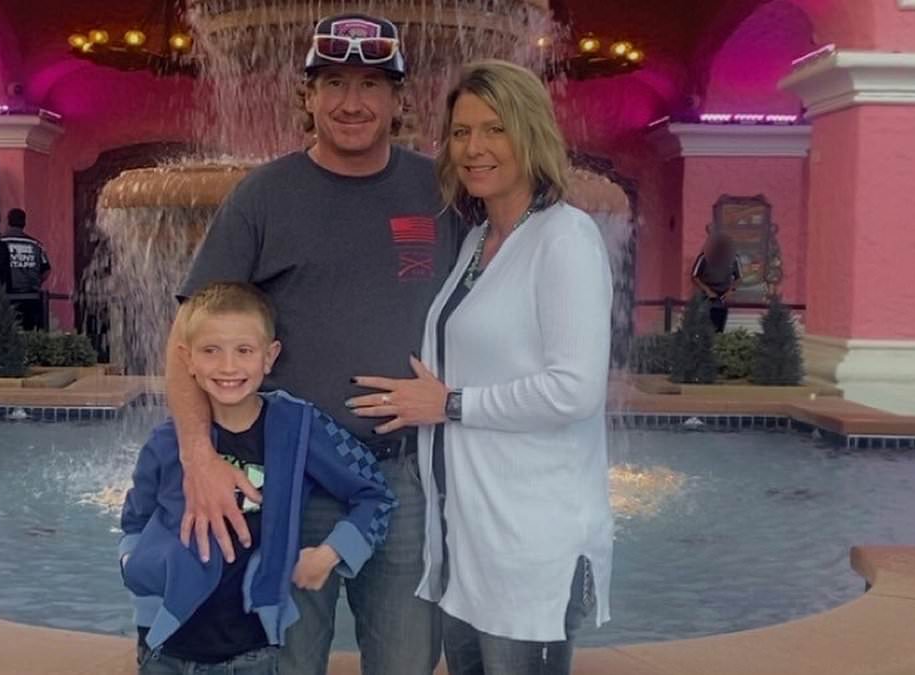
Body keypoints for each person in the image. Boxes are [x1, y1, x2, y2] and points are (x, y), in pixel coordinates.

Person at [166, 12, 461, 675]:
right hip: (290, 482)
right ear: (308, 95)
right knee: (286, 662)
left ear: (398, 98)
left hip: (407, 480)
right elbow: (186, 338)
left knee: (408, 661)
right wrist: (198, 457)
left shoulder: (441, 190)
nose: (351, 103)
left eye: (370, 85)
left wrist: (458, 398)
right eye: (333, 83)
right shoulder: (263, 197)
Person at [348, 60, 614, 675]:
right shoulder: (476, 242)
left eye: (495, 129)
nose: (474, 148)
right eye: (462, 132)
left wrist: (448, 404)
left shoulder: (564, 239)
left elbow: (576, 390)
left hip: (532, 550)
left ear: (531, 134)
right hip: (469, 546)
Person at [120, 282, 397, 675]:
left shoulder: (299, 428)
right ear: (187, 359)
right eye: (210, 350)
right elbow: (136, 517)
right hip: (163, 647)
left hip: (253, 652)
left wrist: (331, 553)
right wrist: (134, 566)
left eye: (244, 351)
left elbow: (375, 494)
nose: (228, 366)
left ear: (270, 357)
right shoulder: (170, 440)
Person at [1, 207, 52, 331]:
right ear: (24, 223)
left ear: (8, 221)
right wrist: (36, 282)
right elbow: (47, 270)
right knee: (30, 333)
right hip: (31, 295)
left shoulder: (0, 243)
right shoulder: (36, 244)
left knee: (7, 333)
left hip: (7, 295)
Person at [690, 232, 742, 333]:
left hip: (723, 298)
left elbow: (739, 278)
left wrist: (731, 291)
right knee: (705, 327)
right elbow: (694, 276)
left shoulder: (734, 259)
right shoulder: (704, 258)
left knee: (719, 328)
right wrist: (707, 290)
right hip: (706, 298)